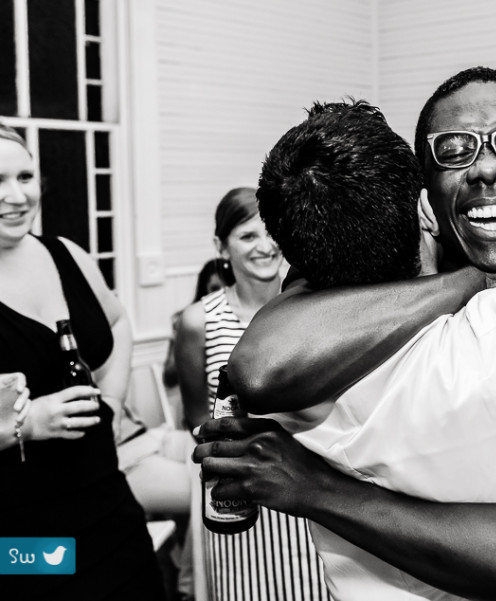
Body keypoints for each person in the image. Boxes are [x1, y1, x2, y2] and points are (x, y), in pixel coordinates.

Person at [199, 68, 496, 600]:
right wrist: (483, 272)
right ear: (424, 198)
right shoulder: (334, 316)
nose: (489, 168)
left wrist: (312, 486)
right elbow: (258, 367)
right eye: (455, 151)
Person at [0, 123, 165, 599]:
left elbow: (115, 322)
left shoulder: (65, 253)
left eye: (25, 177)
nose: (16, 195)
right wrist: (26, 425)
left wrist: (111, 401)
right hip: (22, 531)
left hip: (108, 506)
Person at [172, 187, 330, 601]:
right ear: (221, 247)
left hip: (306, 490)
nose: (266, 246)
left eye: (272, 232)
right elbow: (195, 420)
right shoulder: (197, 322)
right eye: (247, 236)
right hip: (237, 501)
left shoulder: (314, 307)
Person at [162, 258, 224, 389]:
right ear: (204, 289)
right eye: (215, 289)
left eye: (227, 288)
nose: (221, 295)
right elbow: (169, 378)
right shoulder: (189, 321)